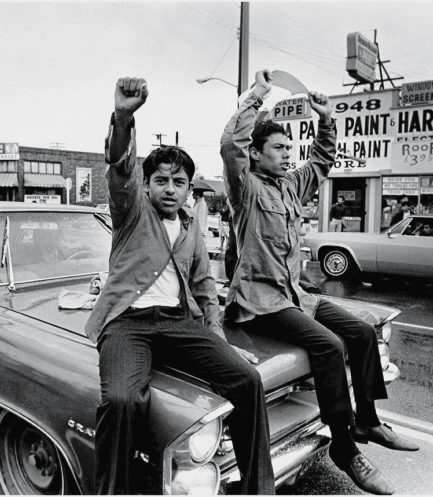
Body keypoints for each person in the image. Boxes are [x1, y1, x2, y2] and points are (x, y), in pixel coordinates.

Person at [221, 69, 417, 496]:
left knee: (362, 332)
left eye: (289, 147)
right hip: (261, 301)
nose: (287, 154)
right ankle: (344, 450)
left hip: (296, 296)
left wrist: (326, 118)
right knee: (328, 346)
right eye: (277, 148)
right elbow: (229, 145)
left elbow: (322, 160)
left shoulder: (291, 185)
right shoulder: (246, 187)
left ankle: (366, 419)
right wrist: (255, 97)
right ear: (255, 155)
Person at [86, 76, 273, 495]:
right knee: (121, 400)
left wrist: (219, 339)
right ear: (148, 184)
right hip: (127, 324)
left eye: (179, 182)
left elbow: (205, 288)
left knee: (246, 379)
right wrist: (122, 116)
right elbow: (118, 168)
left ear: (189, 188)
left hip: (177, 323)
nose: (170, 189)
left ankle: (258, 489)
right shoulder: (131, 211)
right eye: (162, 181)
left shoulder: (191, 227)